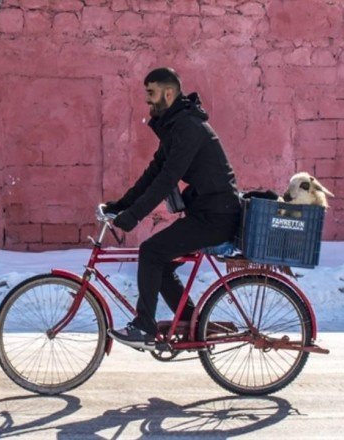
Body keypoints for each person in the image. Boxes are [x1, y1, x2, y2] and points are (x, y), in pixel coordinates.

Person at [104, 67, 242, 349]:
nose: (148, 101)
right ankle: (192, 321)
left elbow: (168, 178)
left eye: (151, 93)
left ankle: (144, 326)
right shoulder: (177, 125)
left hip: (216, 216)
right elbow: (154, 172)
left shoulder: (188, 128)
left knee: (151, 251)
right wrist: (121, 205)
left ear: (169, 93)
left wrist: (133, 216)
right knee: (161, 262)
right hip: (207, 212)